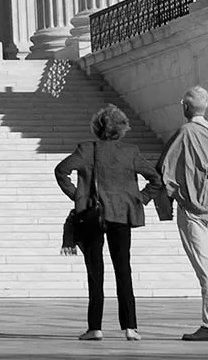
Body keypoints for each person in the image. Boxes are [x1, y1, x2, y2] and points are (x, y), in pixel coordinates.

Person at [55, 104, 163, 340]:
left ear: (97, 127)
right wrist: (140, 199)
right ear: (122, 128)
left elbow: (61, 170)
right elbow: (156, 178)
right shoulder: (130, 152)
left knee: (96, 272)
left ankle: (95, 327)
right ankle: (130, 327)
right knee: (123, 269)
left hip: (93, 214)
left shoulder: (86, 150)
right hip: (122, 215)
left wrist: (78, 195)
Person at [160, 85, 208, 340]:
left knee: (205, 269)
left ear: (186, 107)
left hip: (194, 206)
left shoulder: (186, 132)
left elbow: (169, 167)